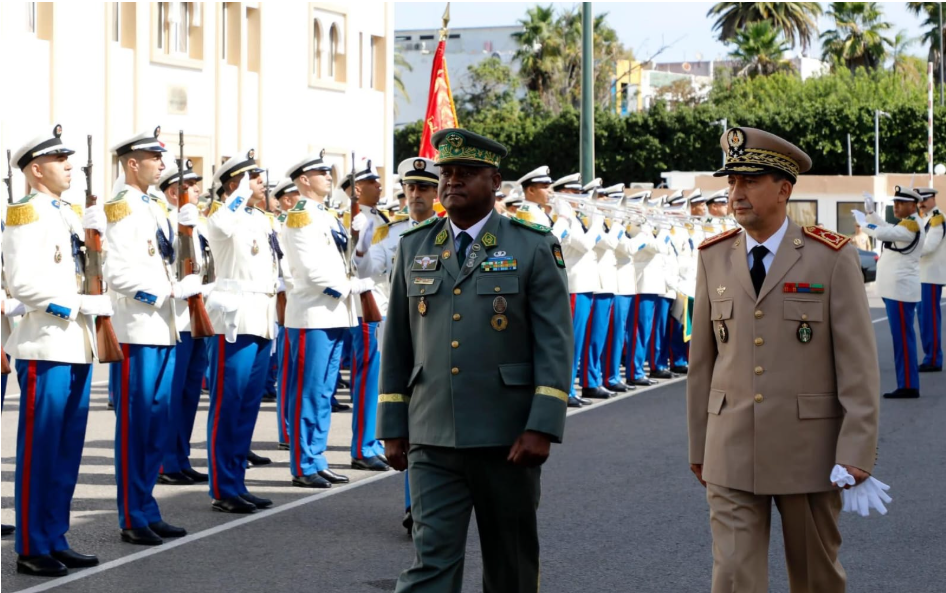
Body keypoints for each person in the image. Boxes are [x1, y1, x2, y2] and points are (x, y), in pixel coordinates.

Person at [379, 128, 573, 592]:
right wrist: (392, 424)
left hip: (506, 436)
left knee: (511, 566)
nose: (451, 182)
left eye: (466, 173)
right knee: (430, 566)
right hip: (433, 433)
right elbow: (398, 342)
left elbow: (555, 341)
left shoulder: (532, 244)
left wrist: (542, 425)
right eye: (446, 172)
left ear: (496, 182)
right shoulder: (414, 245)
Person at [688, 126, 880, 593]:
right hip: (730, 446)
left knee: (815, 577)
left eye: (749, 181)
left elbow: (858, 365)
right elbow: (702, 363)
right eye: (731, 182)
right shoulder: (714, 257)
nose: (736, 193)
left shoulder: (830, 258)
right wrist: (700, 448)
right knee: (733, 576)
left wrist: (856, 450)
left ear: (784, 189)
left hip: (808, 450)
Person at [3, 126, 112, 576]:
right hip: (46, 343)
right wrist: (77, 305)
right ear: (35, 170)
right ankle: (31, 545)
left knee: (67, 450)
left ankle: (55, 534)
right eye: (58, 160)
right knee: (41, 449)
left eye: (69, 159)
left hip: (76, 345)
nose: (69, 166)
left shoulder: (68, 214)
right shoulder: (24, 213)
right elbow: (22, 282)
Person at [104, 128, 202, 545]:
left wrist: (188, 233)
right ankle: (131, 514)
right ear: (131, 162)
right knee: (137, 423)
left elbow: (169, 259)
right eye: (153, 157)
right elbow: (116, 272)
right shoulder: (119, 207)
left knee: (157, 423)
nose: (162, 164)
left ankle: (147, 506)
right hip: (138, 327)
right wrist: (163, 293)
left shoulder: (155, 203)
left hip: (164, 326)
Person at [358, 155, 441, 534]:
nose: (416, 194)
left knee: (432, 423)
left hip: (436, 339)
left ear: (436, 192)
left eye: (424, 187)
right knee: (405, 422)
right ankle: (415, 504)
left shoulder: (448, 232)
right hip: (399, 337)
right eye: (410, 187)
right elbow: (366, 271)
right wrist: (360, 238)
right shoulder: (389, 234)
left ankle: (429, 501)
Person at [283, 151, 373, 489]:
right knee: (310, 391)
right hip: (313, 314)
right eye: (321, 173)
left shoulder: (327, 215)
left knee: (324, 391)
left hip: (334, 315)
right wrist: (349, 288)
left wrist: (359, 236)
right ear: (304, 180)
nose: (328, 177)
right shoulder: (300, 216)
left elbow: (346, 259)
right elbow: (311, 269)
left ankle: (317, 458)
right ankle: (304, 464)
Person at [202, 150, 278, 513]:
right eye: (254, 179)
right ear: (235, 184)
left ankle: (237, 480)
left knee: (247, 406)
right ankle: (222, 487)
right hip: (236, 319)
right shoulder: (224, 215)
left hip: (262, 315)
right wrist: (238, 193)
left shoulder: (260, 219)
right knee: (227, 406)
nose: (262, 185)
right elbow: (217, 229)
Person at [156, 160, 212, 486]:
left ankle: (181, 456)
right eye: (190, 186)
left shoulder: (197, 221)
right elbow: (169, 263)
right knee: (173, 394)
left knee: (190, 393)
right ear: (174, 191)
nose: (197, 191)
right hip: (175, 316)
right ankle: (166, 461)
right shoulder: (164, 220)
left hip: (197, 314)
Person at [346, 157, 393, 472]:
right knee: (368, 379)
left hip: (386, 304)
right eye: (372, 182)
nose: (379, 186)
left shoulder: (382, 217)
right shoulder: (354, 220)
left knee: (381, 381)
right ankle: (363, 447)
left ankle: (373, 442)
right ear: (357, 190)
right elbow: (353, 264)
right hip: (368, 305)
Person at [856, 186, 926, 398]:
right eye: (894, 203)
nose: (895, 207)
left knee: (903, 339)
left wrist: (863, 223)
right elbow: (886, 227)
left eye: (900, 203)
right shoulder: (907, 225)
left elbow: (881, 232)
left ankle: (908, 385)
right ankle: (907, 383)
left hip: (900, 291)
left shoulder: (911, 227)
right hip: (897, 290)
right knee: (902, 338)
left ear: (912, 206)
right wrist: (870, 214)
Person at [551, 175, 601, 407]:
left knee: (577, 343)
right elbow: (586, 244)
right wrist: (598, 222)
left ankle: (570, 388)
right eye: (573, 193)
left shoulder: (574, 219)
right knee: (569, 344)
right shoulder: (564, 218)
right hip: (573, 286)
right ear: (561, 193)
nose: (579, 198)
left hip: (584, 285)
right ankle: (565, 389)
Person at [273, 179, 300, 452]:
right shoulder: (281, 224)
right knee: (288, 372)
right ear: (285, 199)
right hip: (287, 301)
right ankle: (286, 429)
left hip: (293, 298)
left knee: (295, 372)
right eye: (293, 195)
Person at [916, 187, 944, 372]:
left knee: (930, 319)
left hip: (931, 275)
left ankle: (934, 358)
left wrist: (910, 249)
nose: (921, 204)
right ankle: (930, 355)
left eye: (924, 200)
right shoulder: (926, 218)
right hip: (923, 274)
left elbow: (929, 246)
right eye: (919, 201)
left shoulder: (937, 219)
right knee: (924, 318)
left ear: (933, 198)